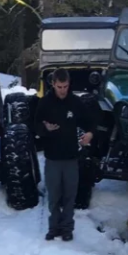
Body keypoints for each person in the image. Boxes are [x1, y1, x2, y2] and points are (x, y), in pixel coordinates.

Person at [35, 69, 95, 242]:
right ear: (53, 84)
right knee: (54, 196)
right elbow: (35, 125)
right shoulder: (45, 103)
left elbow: (90, 121)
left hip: (71, 157)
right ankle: (53, 227)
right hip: (52, 158)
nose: (62, 90)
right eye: (59, 86)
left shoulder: (75, 103)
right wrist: (45, 129)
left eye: (65, 86)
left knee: (70, 195)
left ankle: (67, 228)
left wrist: (89, 133)